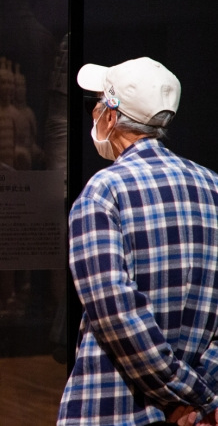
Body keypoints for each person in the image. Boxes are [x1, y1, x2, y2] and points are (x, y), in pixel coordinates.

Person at [58, 56, 218, 426]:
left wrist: (179, 392)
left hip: (113, 410)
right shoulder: (213, 188)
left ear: (111, 116)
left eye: (96, 104)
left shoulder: (103, 193)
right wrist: (201, 396)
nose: (94, 114)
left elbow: (117, 314)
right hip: (195, 416)